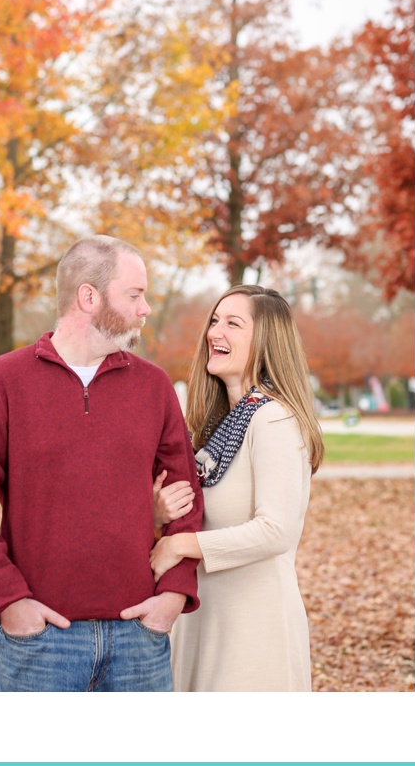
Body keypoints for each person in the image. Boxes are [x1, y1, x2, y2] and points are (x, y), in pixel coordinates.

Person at [0, 235, 204, 691]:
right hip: (39, 641)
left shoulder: (154, 386)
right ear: (89, 296)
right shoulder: (4, 380)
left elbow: (186, 498)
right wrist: (9, 601)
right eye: (135, 294)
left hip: (138, 641)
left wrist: (173, 595)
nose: (145, 308)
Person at [149, 285, 324, 691]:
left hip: (254, 633)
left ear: (265, 339)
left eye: (232, 323)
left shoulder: (273, 418)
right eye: (214, 320)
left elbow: (276, 530)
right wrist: (158, 518)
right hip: (201, 621)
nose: (214, 332)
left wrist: (179, 546)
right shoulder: (218, 428)